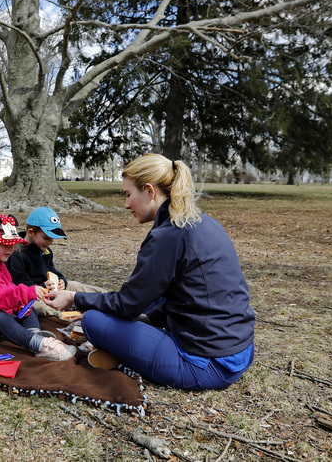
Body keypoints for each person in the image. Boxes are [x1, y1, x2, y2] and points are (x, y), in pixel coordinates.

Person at [43, 153, 255, 390]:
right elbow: (184, 295)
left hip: (206, 365)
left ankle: (123, 352)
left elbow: (127, 304)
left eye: (128, 194)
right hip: (240, 351)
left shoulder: (168, 236)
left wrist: (74, 297)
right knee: (148, 303)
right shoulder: (204, 222)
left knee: (93, 320)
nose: (126, 204)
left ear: (149, 191)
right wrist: (146, 319)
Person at [0, 213, 77, 361]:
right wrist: (25, 292)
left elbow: (8, 287)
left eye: (12, 244)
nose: (10, 249)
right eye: (5, 244)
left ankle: (35, 335)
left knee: (27, 307)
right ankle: (39, 345)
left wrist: (23, 299)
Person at [6, 206, 106, 316]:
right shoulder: (17, 253)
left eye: (52, 238)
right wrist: (43, 287)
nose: (50, 242)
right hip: (33, 295)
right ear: (30, 232)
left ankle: (107, 298)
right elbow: (20, 283)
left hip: (51, 289)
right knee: (42, 308)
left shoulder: (45, 250)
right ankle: (69, 315)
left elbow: (52, 270)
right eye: (46, 238)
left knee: (77, 286)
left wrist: (61, 280)